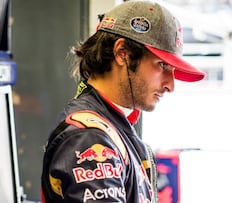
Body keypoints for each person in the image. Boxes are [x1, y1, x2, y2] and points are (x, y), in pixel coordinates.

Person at [41, 1, 205, 203]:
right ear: (123, 53)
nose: (170, 85)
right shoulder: (90, 137)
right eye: (162, 65)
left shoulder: (113, 126)